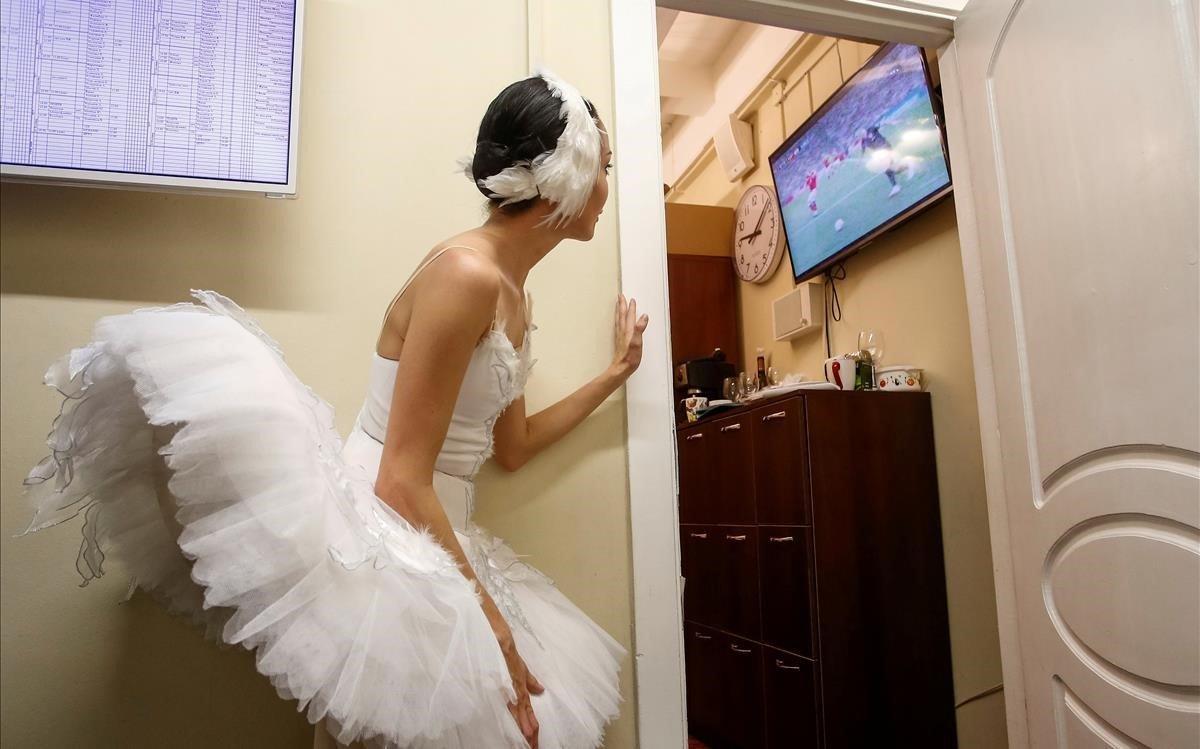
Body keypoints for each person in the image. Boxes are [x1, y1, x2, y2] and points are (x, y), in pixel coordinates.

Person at [19, 71, 648, 749]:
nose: (608, 188)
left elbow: (513, 445)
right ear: (565, 172)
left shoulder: (515, 293)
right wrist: (489, 623)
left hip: (440, 532)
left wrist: (615, 374)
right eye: (604, 167)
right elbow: (401, 480)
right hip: (386, 532)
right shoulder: (464, 275)